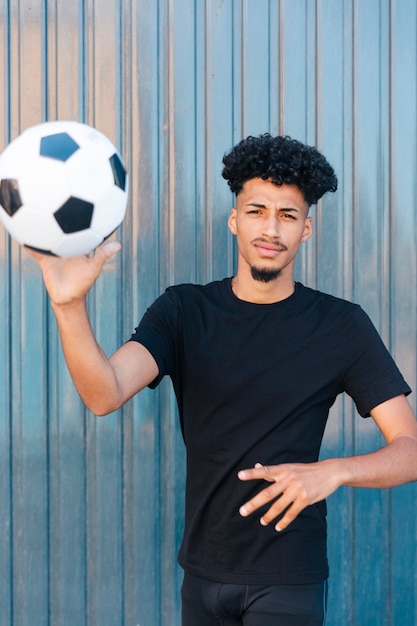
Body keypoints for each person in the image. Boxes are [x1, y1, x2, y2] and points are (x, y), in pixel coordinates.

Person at [30, 134, 417, 626]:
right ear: (234, 220)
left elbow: (411, 449)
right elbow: (104, 394)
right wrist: (68, 307)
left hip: (287, 576)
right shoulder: (184, 311)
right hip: (203, 572)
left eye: (288, 216)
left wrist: (334, 471)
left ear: (307, 230)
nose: (271, 229)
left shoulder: (341, 325)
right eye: (256, 211)